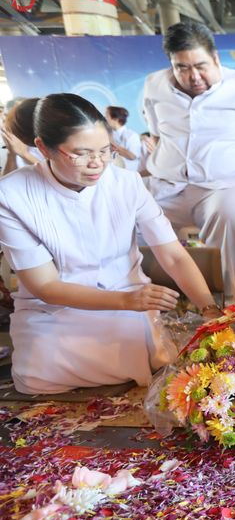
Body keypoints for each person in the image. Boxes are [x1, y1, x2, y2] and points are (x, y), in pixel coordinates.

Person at [0, 93, 220, 394]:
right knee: (39, 375)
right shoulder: (12, 195)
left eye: (105, 151)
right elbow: (44, 286)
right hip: (55, 312)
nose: (97, 164)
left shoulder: (126, 184)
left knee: (149, 359)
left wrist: (210, 310)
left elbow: (173, 255)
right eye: (80, 153)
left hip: (127, 301)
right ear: (43, 147)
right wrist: (127, 302)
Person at [142, 21, 235, 296]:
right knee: (125, 208)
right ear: (171, 64)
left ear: (215, 58)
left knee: (229, 212)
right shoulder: (154, 86)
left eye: (200, 66)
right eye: (182, 68)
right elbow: (156, 134)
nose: (194, 76)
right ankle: (149, 286)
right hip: (170, 185)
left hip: (232, 185)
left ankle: (227, 292)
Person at [2, 98, 42, 176]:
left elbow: (57, 175)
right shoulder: (14, 142)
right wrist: (11, 154)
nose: (3, 127)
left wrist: (24, 154)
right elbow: (5, 180)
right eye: (3, 120)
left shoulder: (45, 142)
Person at [105, 106, 143, 173]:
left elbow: (133, 156)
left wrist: (112, 142)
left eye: (107, 116)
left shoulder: (131, 135)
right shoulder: (109, 134)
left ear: (116, 119)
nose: (105, 119)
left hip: (128, 174)